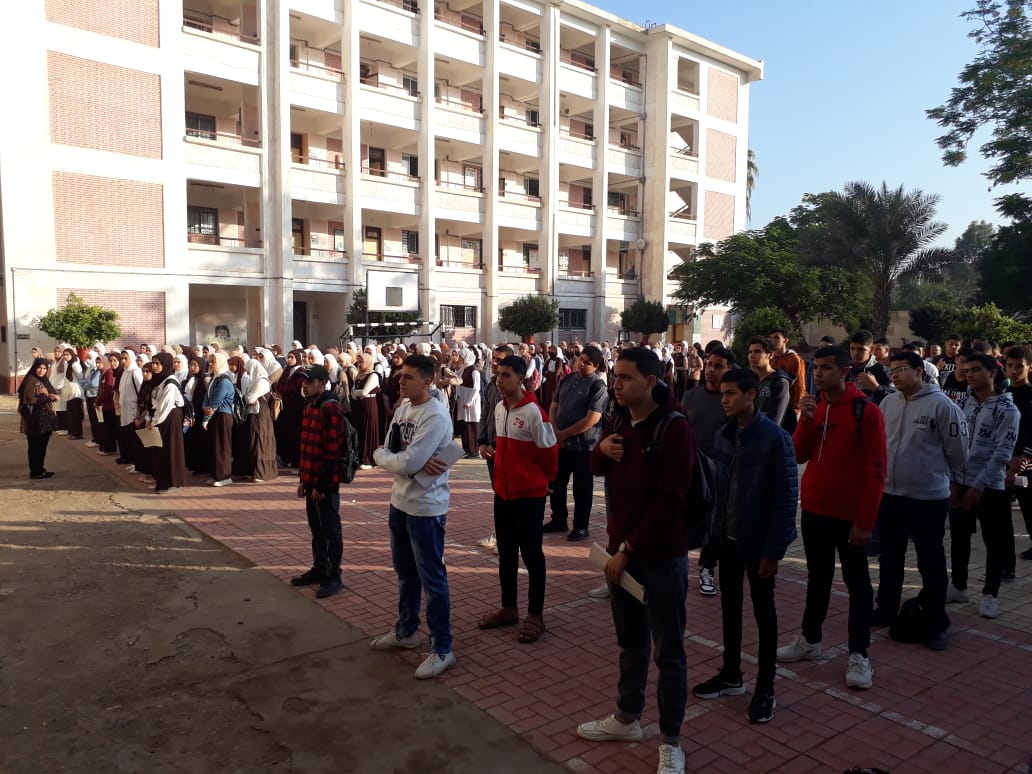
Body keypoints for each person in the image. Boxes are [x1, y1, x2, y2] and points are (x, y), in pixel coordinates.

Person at [577, 347, 695, 774]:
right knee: (631, 643)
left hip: (660, 556)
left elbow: (670, 501)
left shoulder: (674, 428)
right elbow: (596, 469)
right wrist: (601, 450)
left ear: (651, 381)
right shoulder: (618, 420)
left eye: (626, 378)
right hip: (621, 552)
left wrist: (627, 549)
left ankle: (671, 741)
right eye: (616, 377)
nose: (617, 385)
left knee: (669, 652)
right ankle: (627, 718)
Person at [692, 368, 797, 724]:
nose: (724, 400)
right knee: (730, 607)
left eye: (731, 393)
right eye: (722, 393)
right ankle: (731, 674)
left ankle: (766, 686)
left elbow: (786, 500)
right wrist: (713, 537)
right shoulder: (725, 434)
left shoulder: (775, 439)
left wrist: (773, 551)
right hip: (728, 540)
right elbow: (718, 489)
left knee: (764, 614)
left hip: (758, 543)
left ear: (751, 395)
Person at [777, 346, 886, 690]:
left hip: (850, 515)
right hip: (814, 509)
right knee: (818, 578)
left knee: (858, 584)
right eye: (816, 368)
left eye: (826, 368)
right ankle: (810, 640)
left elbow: (876, 470)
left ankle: (859, 654)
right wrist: (806, 421)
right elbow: (798, 454)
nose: (819, 374)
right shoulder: (816, 406)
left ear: (844, 371)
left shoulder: (866, 412)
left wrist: (865, 521)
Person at [370, 354, 458, 680]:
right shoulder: (403, 410)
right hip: (400, 502)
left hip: (426, 508)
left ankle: (442, 647)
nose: (401, 381)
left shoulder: (435, 416)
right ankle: (406, 630)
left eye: (408, 377)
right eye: (401, 375)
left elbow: (407, 461)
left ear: (427, 381)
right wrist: (390, 458)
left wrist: (397, 460)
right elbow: (386, 450)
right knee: (406, 574)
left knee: (432, 579)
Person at [873, 351, 967, 650]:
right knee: (890, 556)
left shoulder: (942, 405)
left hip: (927, 497)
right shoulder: (888, 402)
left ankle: (936, 622)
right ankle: (886, 609)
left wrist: (934, 473)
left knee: (931, 560)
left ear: (919, 371)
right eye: (892, 370)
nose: (895, 375)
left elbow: (958, 453)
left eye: (902, 369)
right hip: (890, 494)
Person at [476, 354, 558, 644]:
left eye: (506, 375)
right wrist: (491, 452)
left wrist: (541, 483)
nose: (499, 380)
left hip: (529, 497)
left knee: (532, 555)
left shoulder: (535, 413)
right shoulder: (500, 408)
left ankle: (535, 615)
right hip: (503, 493)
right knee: (507, 553)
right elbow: (505, 447)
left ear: (521, 378)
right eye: (498, 374)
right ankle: (509, 607)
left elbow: (550, 457)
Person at [948, 353, 1019, 619]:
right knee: (959, 538)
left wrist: (978, 486)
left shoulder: (1007, 409)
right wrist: (951, 480)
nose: (969, 374)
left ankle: (990, 594)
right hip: (959, 482)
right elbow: (949, 443)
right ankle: (958, 586)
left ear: (992, 372)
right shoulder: (960, 404)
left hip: (990, 485)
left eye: (976, 369)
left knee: (994, 541)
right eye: (967, 370)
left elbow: (1002, 452)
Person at [682, 345, 736, 597]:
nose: (711, 370)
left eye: (718, 366)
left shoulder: (731, 401)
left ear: (729, 370)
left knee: (716, 522)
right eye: (710, 364)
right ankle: (677, 563)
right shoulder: (691, 396)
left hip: (721, 471)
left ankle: (707, 568)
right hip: (692, 467)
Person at [291, 364, 347, 599]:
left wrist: (322, 486)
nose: (304, 385)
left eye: (309, 381)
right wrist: (304, 480)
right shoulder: (309, 408)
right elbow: (307, 448)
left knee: (330, 530)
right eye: (303, 381)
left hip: (326, 484)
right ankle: (320, 567)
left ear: (322, 384)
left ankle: (334, 574)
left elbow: (332, 451)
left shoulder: (331, 408)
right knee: (316, 529)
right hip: (311, 480)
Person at [544, 344, 608, 541]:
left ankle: (581, 526)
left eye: (587, 363)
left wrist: (563, 434)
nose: (582, 364)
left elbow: (592, 418)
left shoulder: (598, 386)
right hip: (561, 445)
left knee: (582, 488)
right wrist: (555, 431)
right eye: (581, 359)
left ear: (595, 366)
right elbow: (554, 406)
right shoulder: (568, 379)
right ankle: (558, 520)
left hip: (583, 447)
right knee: (557, 483)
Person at [476, 345, 515, 550]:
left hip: (507, 449)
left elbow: (511, 422)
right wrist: (482, 442)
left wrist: (498, 446)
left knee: (509, 495)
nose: (493, 363)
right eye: (493, 359)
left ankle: (510, 539)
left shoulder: (514, 391)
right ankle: (502, 535)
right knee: (498, 492)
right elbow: (485, 414)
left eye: (499, 360)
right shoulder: (491, 385)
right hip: (491, 448)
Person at [1004, 345, 1032, 561]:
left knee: (1029, 506)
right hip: (1004, 461)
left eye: (1019, 366)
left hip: (1026, 463)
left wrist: (1024, 457)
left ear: (1029, 367)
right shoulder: (1003, 395)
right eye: (1010, 365)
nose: (1013, 371)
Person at [147, 353, 188, 494]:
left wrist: (154, 422)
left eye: (157, 364)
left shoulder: (170, 382)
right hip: (159, 417)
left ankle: (172, 482)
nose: (154, 366)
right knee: (160, 450)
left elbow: (165, 405)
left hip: (169, 418)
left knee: (170, 449)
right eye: (153, 363)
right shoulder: (159, 380)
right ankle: (162, 480)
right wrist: (150, 418)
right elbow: (154, 402)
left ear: (165, 365)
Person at [19, 357, 60, 479]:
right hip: (35, 419)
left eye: (44, 368)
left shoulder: (42, 379)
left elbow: (50, 391)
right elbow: (30, 400)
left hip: (44, 418)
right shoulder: (31, 380)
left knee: (42, 445)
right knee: (35, 446)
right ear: (34, 367)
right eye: (39, 368)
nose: (42, 371)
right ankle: (35, 472)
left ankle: (40, 469)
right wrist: (49, 397)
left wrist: (51, 396)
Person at [747, 335, 795, 432]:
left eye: (757, 351)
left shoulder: (780, 382)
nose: (752, 356)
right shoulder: (749, 380)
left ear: (770, 355)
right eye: (750, 352)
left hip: (769, 436)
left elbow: (775, 420)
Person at [202, 352, 236, 487]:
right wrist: (205, 408)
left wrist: (206, 416)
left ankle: (225, 476)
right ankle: (216, 475)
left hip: (223, 415)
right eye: (209, 361)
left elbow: (216, 400)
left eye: (213, 362)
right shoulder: (215, 378)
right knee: (214, 446)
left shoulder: (224, 380)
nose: (210, 364)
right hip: (215, 415)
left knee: (222, 447)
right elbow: (207, 396)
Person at [847, 330, 893, 405]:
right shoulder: (845, 369)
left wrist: (876, 387)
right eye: (852, 348)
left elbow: (896, 398)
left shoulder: (883, 371)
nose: (856, 353)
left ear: (871, 349)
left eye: (861, 349)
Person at [768, 329, 805, 414]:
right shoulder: (769, 358)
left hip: (788, 406)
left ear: (785, 340)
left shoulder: (794, 359)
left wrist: (796, 408)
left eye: (776, 338)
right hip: (770, 404)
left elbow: (800, 385)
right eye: (771, 338)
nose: (773, 341)